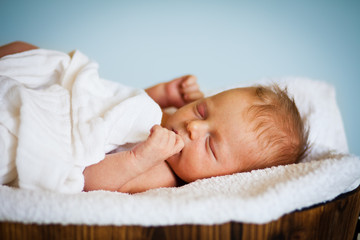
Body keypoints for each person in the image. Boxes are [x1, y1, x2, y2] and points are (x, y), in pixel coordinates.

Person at [0, 42, 309, 194]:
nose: (194, 126)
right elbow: (122, 107)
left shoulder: (165, 172)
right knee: (27, 53)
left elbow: (90, 179)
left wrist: (140, 157)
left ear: (225, 178)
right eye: (203, 110)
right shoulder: (169, 125)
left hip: (55, 131)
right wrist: (164, 92)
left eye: (211, 145)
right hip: (74, 100)